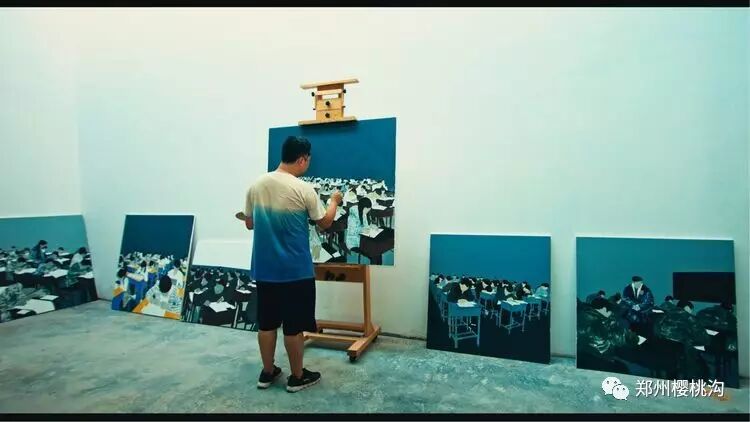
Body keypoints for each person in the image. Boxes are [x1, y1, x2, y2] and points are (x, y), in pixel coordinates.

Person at [240, 135, 341, 393]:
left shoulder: (256, 185)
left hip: (265, 268)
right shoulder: (303, 189)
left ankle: (267, 372)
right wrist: (334, 202)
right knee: (294, 326)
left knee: (266, 323)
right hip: (295, 270)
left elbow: (250, 223)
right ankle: (297, 377)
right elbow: (325, 223)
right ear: (303, 159)